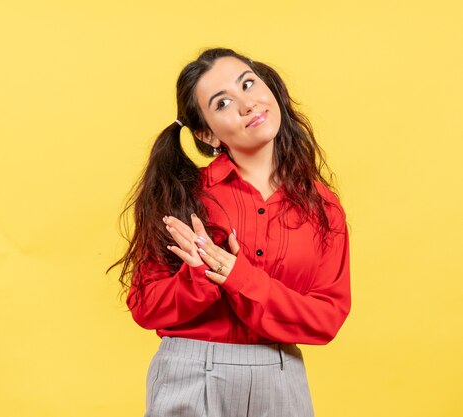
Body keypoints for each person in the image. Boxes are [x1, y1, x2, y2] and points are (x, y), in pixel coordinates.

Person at [109, 47, 351, 417]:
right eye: (222, 103)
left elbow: (327, 318)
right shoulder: (184, 196)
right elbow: (145, 306)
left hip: (280, 376)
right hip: (190, 372)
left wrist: (238, 277)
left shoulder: (322, 206)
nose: (247, 104)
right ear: (207, 134)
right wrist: (199, 277)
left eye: (249, 84)